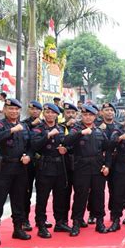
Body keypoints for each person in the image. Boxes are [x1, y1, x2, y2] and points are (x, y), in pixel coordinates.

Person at [0, 99, 32, 246]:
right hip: (2, 169)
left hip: (19, 169)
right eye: (10, 109)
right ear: (5, 110)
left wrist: (28, 156)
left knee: (19, 201)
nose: (14, 111)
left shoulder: (24, 126)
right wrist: (11, 130)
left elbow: (30, 146)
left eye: (16, 109)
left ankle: (18, 229)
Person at [63, 104, 112, 236]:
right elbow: (66, 141)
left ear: (95, 116)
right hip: (81, 167)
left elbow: (108, 149)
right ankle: (76, 223)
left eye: (90, 115)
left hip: (97, 167)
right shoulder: (76, 129)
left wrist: (107, 165)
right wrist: (81, 133)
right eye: (85, 115)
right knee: (80, 195)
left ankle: (99, 222)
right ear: (82, 116)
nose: (88, 117)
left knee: (98, 195)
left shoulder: (99, 131)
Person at [31, 103, 71, 238]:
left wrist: (65, 150)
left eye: (52, 113)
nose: (50, 115)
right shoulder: (38, 129)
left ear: (56, 115)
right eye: (47, 112)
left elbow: (67, 144)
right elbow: (34, 145)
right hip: (44, 167)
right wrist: (47, 135)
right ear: (44, 114)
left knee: (60, 197)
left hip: (60, 168)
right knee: (42, 198)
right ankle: (41, 224)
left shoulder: (61, 128)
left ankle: (59, 222)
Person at [59, 102, 83, 228]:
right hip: (64, 164)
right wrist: (65, 127)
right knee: (64, 193)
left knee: (80, 192)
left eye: (73, 113)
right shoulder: (60, 127)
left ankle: (78, 219)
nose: (70, 115)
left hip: (79, 164)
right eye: (68, 112)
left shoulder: (80, 126)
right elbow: (61, 140)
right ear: (64, 114)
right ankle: (63, 220)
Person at [22, 100, 44, 231]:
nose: (34, 111)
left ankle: (40, 219)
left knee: (42, 192)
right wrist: (30, 125)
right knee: (26, 191)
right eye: (32, 109)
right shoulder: (24, 123)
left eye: (37, 109)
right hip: (28, 163)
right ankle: (24, 219)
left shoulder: (45, 123)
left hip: (42, 162)